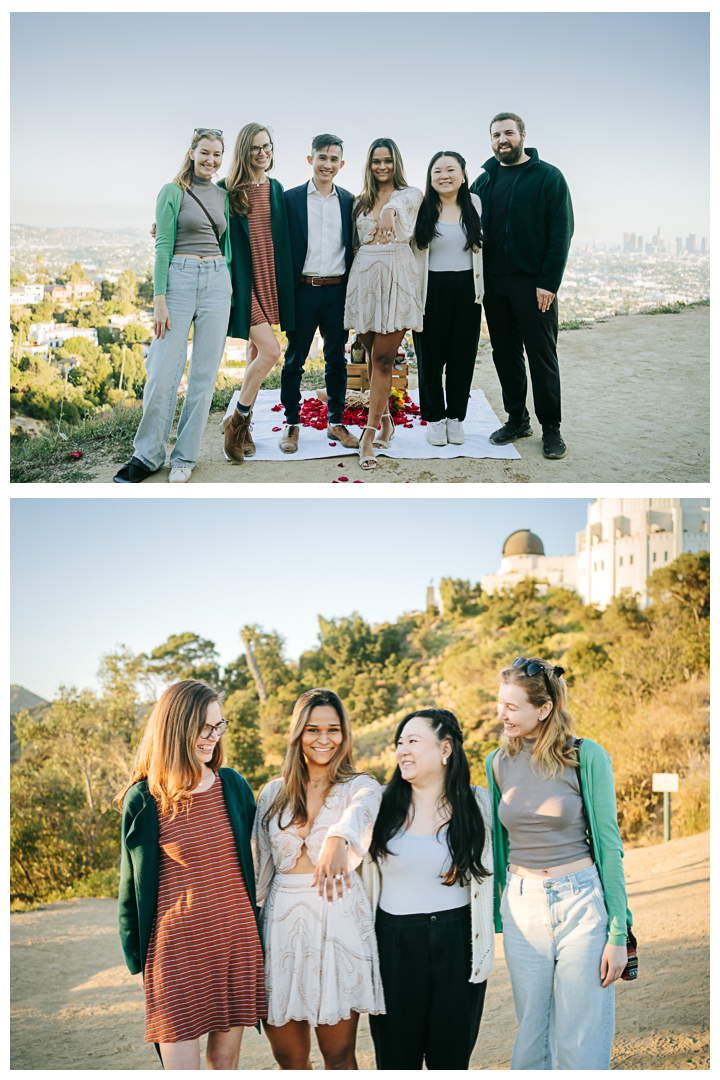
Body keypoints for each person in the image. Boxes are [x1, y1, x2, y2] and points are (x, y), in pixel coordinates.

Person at [485, 657, 631, 1069]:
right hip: (521, 904)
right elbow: (500, 843)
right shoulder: (496, 762)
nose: (502, 715)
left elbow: (609, 845)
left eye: (512, 707)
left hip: (581, 901)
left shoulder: (586, 756)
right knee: (531, 1031)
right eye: (500, 704)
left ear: (544, 709)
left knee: (580, 1037)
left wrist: (618, 932)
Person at [116, 679, 266, 1070]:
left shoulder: (233, 785)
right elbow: (130, 892)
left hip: (236, 943)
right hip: (175, 955)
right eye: (204, 728)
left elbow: (263, 856)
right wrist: (137, 964)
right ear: (176, 726)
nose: (213, 737)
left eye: (219, 726)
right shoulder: (145, 798)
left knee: (224, 1063)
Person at [252, 688, 384, 1070]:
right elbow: (260, 869)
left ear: (345, 734)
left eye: (333, 729)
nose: (324, 739)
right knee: (289, 1058)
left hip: (337, 922)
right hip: (280, 928)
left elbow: (361, 812)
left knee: (339, 1055)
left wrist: (338, 838)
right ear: (297, 734)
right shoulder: (272, 793)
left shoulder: (361, 785)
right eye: (312, 730)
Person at [364, 709, 494, 1070]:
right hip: (394, 945)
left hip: (460, 942)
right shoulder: (378, 802)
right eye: (399, 743)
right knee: (395, 1060)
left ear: (445, 749)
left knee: (450, 1061)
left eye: (413, 741)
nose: (402, 750)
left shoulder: (478, 803)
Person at [114, 129, 233, 484]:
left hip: (216, 281)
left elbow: (224, 241)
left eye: (217, 154)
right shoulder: (171, 191)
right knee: (164, 371)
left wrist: (223, 274)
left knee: (203, 375)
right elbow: (163, 246)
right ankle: (147, 455)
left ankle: (185, 457)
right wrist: (159, 300)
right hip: (178, 279)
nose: (211, 160)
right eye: (205, 153)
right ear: (192, 152)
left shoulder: (224, 195)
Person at [470, 113, 574, 460]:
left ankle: (552, 430)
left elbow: (561, 232)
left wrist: (548, 282)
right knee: (505, 354)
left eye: (509, 133)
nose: (503, 139)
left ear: (523, 135)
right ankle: (517, 419)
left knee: (542, 356)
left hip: (534, 286)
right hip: (494, 285)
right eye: (496, 134)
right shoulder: (483, 183)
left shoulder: (548, 177)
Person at [344, 138, 424, 470]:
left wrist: (389, 210)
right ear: (369, 164)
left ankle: (368, 433)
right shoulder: (358, 202)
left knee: (383, 358)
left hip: (397, 282)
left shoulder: (410, 194)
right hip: (363, 284)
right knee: (370, 355)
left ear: (396, 162)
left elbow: (402, 206)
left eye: (387, 160)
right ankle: (386, 418)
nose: (382, 166)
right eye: (376, 161)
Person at [219, 123, 295, 463]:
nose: (263, 152)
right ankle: (236, 421)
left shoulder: (276, 188)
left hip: (270, 282)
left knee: (255, 353)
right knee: (270, 351)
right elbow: (198, 216)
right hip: (241, 285)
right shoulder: (226, 190)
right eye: (255, 147)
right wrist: (162, 225)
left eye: (267, 146)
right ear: (243, 152)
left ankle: (244, 424)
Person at [280, 135, 359, 454]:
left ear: (342, 163)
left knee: (336, 360)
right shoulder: (290, 199)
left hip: (338, 291)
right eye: (322, 157)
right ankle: (292, 423)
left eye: (334, 159)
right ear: (310, 159)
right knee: (294, 360)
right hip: (303, 290)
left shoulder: (350, 201)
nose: (328, 164)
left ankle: (336, 421)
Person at [412, 152, 484, 447]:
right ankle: (435, 418)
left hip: (467, 288)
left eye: (451, 170)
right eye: (437, 171)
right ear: (430, 178)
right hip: (431, 289)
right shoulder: (421, 207)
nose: (444, 175)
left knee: (462, 357)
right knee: (429, 358)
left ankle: (455, 417)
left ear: (463, 175)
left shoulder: (475, 203)